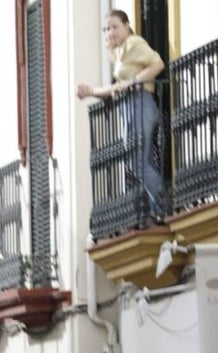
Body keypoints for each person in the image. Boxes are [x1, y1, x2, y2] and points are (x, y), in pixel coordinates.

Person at [76, 9, 167, 220]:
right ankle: (156, 209)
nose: (110, 32)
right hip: (130, 107)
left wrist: (133, 82)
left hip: (140, 104)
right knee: (141, 161)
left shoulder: (134, 43)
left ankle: (162, 205)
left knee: (136, 161)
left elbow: (158, 63)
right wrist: (91, 92)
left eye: (115, 26)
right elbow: (118, 88)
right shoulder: (119, 53)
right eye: (106, 28)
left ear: (127, 26)